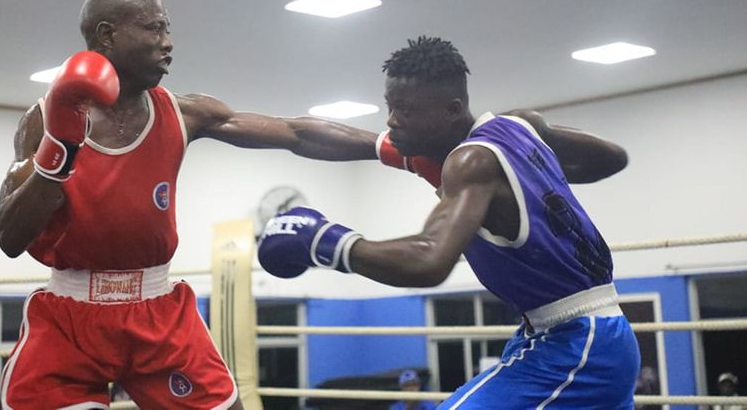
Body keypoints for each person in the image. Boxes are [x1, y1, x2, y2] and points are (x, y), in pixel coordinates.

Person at [0, 0, 385, 409]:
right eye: (154, 28)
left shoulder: (183, 113)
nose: (168, 43)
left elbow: (294, 133)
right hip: (70, 317)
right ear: (107, 35)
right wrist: (59, 153)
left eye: (166, 29)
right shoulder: (46, 118)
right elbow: (10, 239)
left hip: (158, 313)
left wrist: (390, 148)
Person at [258, 35, 641, 408]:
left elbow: (429, 260)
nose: (392, 119)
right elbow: (611, 159)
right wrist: (536, 175)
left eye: (405, 110)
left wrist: (326, 243)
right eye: (390, 106)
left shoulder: (470, 161)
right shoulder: (521, 127)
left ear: (452, 110)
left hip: (576, 342)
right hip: (572, 335)